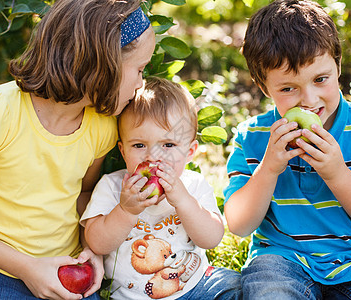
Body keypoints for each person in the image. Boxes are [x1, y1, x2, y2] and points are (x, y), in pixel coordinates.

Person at [0, 0, 155, 299]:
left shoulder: (101, 126)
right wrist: (28, 268)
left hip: (68, 269)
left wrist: (90, 249)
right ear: (99, 65)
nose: (141, 83)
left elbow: (84, 195)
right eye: (139, 70)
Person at [223, 0, 351, 299]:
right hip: (282, 260)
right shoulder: (253, 136)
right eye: (288, 88)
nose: (308, 99)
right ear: (265, 88)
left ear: (338, 67)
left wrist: (337, 174)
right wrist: (269, 169)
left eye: (320, 79)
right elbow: (238, 225)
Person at [81, 77, 242, 299]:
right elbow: (97, 243)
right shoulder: (112, 186)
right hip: (130, 297)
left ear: (189, 151)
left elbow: (212, 238)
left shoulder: (192, 185)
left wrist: (184, 201)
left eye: (168, 145)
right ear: (123, 150)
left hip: (194, 288)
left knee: (235, 286)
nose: (153, 156)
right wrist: (126, 210)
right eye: (139, 145)